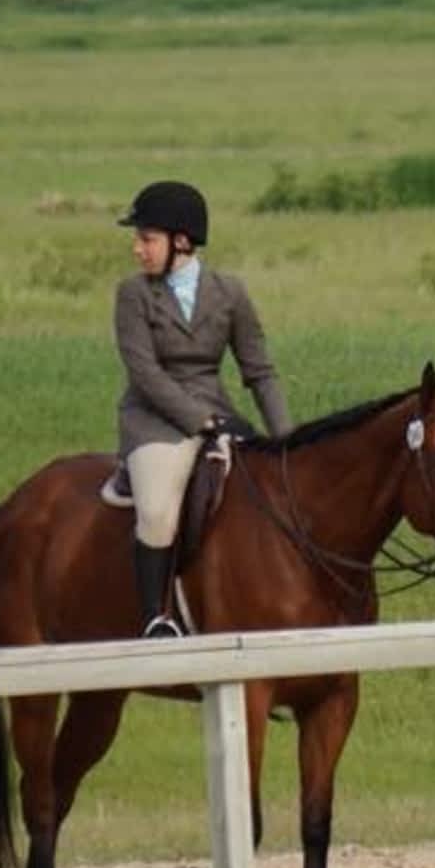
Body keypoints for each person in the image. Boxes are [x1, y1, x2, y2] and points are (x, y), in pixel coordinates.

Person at [112, 180, 292, 637]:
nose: (137, 249)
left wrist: (287, 439)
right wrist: (200, 421)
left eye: (146, 238)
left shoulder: (230, 293)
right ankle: (155, 616)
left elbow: (260, 372)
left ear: (182, 242)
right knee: (155, 511)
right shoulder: (132, 295)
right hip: (155, 422)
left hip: (220, 414)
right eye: (138, 239)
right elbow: (145, 374)